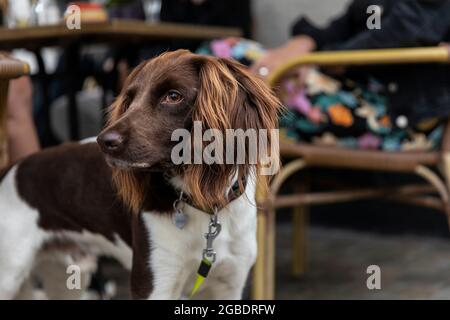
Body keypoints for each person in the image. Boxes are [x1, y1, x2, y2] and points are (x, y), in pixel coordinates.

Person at [200, 0, 450, 151]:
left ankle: (203, 201)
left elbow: (399, 35)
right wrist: (301, 44)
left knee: (222, 68)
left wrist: (315, 62)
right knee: (220, 66)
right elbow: (345, 28)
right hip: (351, 92)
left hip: (394, 117)